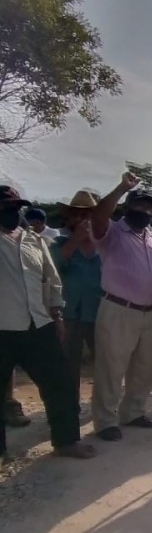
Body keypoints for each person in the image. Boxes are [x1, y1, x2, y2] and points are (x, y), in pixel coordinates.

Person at [0, 185, 95, 459]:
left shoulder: (34, 240)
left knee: (60, 385)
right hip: (2, 327)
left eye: (16, 208)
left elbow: (52, 280)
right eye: (6, 208)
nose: (12, 212)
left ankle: (66, 441)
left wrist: (57, 314)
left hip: (38, 325)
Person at [90, 172, 152, 442]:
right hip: (118, 309)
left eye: (149, 208)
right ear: (127, 207)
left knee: (145, 367)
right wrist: (122, 187)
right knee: (112, 367)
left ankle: (133, 412)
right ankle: (105, 420)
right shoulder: (112, 232)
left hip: (150, 312)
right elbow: (98, 216)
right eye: (140, 205)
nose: (145, 211)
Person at [50, 190, 103, 408]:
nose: (81, 220)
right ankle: (69, 406)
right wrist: (76, 240)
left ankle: (102, 405)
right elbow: (54, 266)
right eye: (76, 215)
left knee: (104, 363)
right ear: (69, 218)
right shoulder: (58, 243)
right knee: (68, 364)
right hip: (69, 314)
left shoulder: (105, 245)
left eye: (87, 215)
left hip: (99, 312)